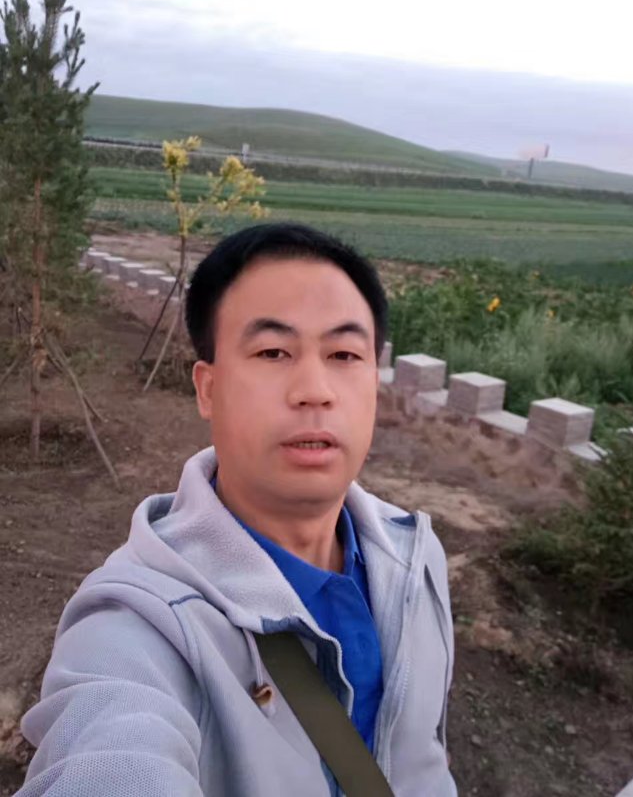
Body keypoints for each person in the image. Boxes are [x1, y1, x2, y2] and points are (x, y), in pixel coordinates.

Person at [18, 223, 456, 796]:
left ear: (373, 383)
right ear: (207, 388)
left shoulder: (413, 559)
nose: (315, 389)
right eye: (273, 352)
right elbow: (107, 752)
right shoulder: (140, 627)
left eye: (344, 354)